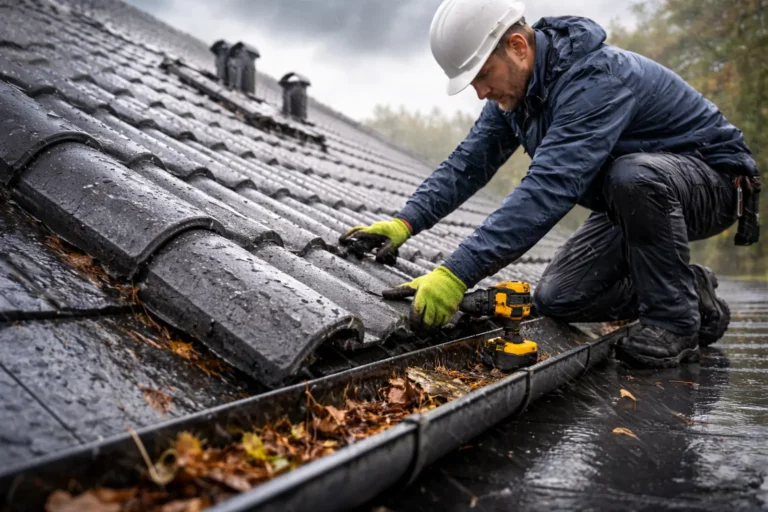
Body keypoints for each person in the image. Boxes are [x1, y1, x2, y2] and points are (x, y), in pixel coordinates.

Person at [339, 0, 760, 368]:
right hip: (637, 196)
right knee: (560, 297)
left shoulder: (594, 81)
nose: (481, 92)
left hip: (713, 183)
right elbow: (467, 165)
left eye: (484, 75)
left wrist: (455, 274)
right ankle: (688, 288)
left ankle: (674, 321)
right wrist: (405, 223)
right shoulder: (519, 97)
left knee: (630, 176)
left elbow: (549, 188)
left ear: (518, 48)